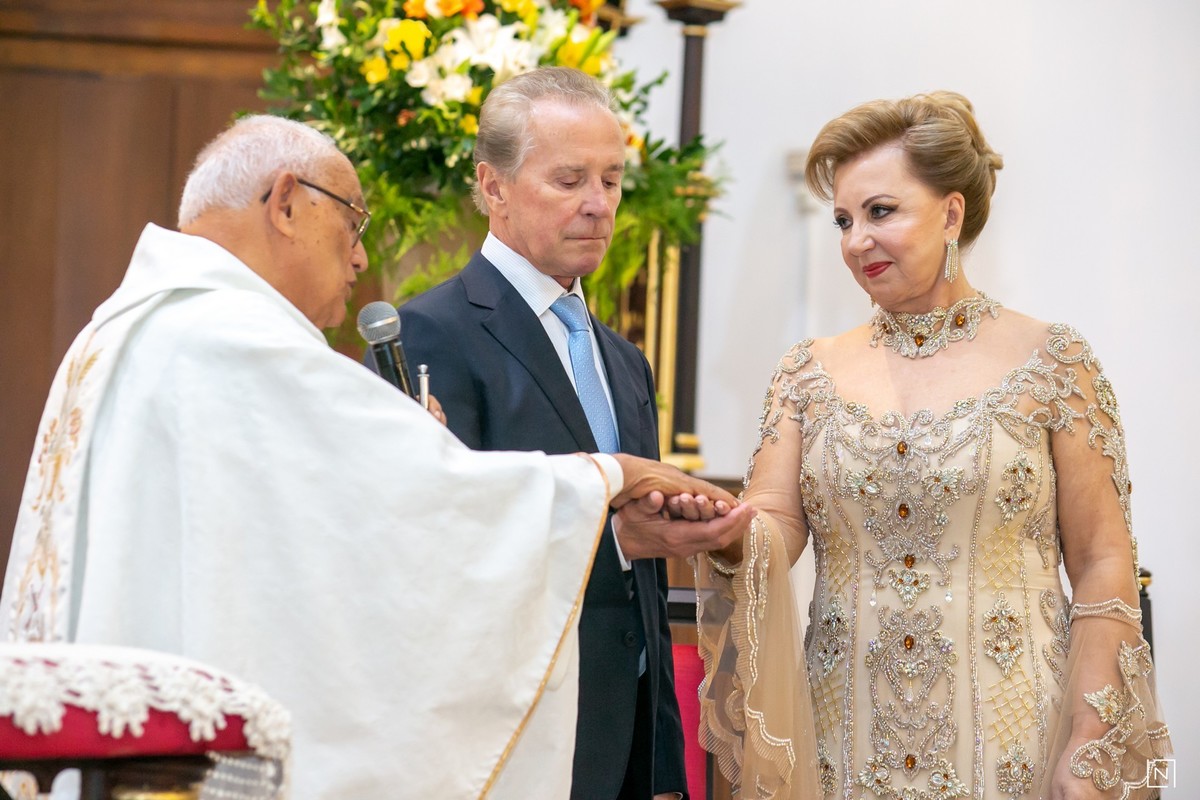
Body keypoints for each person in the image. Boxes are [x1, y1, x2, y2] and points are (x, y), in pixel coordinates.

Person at [0, 114, 752, 799]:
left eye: (611, 181)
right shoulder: (231, 342)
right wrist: (609, 476)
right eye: (352, 222)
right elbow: (422, 507)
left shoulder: (135, 327)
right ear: (286, 203)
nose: (360, 256)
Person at [693, 92, 1171, 800]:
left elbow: (1104, 561)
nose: (856, 241)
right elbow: (771, 523)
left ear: (951, 214)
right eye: (844, 220)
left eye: (880, 211)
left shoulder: (1053, 363)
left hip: (1013, 742)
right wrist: (716, 527)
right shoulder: (805, 372)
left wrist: (1091, 738)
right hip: (842, 740)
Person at [392, 67, 690, 800]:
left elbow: (646, 586)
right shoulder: (429, 333)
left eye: (612, 180)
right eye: (569, 180)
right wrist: (615, 540)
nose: (598, 204)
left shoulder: (624, 360)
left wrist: (662, 760)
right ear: (493, 186)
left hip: (628, 738)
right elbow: (445, 541)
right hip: (513, 738)